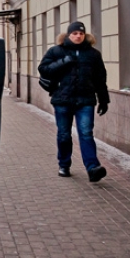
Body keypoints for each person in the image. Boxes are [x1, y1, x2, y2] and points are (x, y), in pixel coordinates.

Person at [37, 21, 109, 182]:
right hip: (62, 100)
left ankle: (93, 168)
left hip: (85, 100)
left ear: (85, 36)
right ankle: (64, 164)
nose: (78, 36)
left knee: (86, 133)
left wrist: (104, 100)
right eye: (75, 33)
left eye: (81, 34)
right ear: (68, 35)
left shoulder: (93, 54)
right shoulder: (56, 51)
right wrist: (63, 61)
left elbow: (100, 79)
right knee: (64, 135)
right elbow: (43, 69)